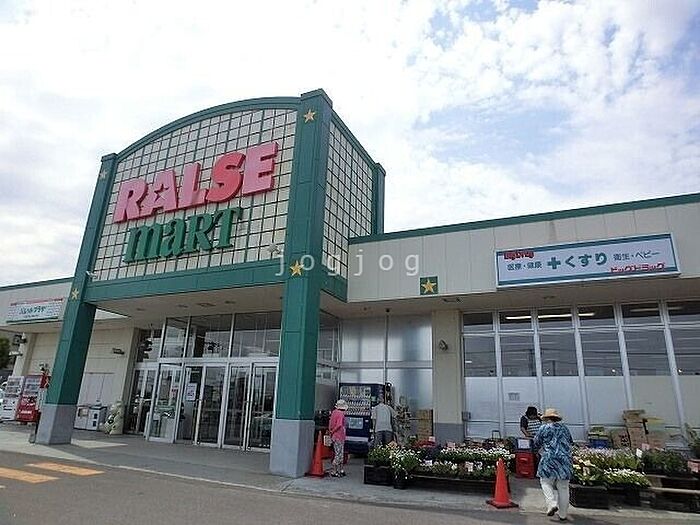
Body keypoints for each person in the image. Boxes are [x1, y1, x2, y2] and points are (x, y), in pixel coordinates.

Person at [533, 408, 573, 522]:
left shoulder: (544, 428)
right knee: (563, 487)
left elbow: (536, 442)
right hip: (565, 459)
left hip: (549, 458)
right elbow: (570, 442)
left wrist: (537, 450)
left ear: (546, 418)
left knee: (545, 482)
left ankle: (551, 503)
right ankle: (563, 515)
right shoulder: (564, 428)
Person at [328, 399, 348, 477]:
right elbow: (339, 425)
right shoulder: (341, 414)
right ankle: (336, 470)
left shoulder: (334, 412)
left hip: (334, 436)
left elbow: (330, 423)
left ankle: (338, 470)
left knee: (337, 452)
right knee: (339, 454)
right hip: (339, 436)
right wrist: (333, 431)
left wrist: (331, 432)